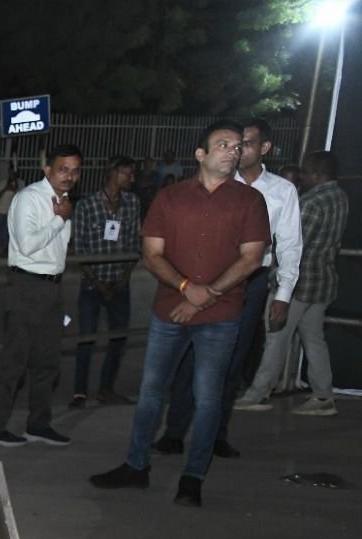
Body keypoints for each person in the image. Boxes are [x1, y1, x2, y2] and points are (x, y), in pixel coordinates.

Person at [89, 121, 269, 508]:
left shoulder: (250, 201)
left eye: (237, 146)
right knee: (151, 394)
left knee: (208, 399)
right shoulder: (170, 198)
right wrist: (188, 288)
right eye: (222, 144)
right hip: (169, 312)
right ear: (200, 154)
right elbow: (152, 254)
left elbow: (252, 258)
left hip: (221, 316)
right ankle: (136, 466)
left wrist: (207, 294)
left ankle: (192, 478)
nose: (232, 151)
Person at [157, 118, 300, 459]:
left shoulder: (282, 191)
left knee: (231, 362)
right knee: (189, 357)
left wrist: (282, 294)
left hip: (249, 284)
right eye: (231, 145)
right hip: (202, 279)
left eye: (244, 144)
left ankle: (215, 434)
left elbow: (291, 245)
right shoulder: (215, 182)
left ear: (264, 148)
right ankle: (174, 432)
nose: (236, 151)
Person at [0, 144, 82, 447]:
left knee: (48, 362)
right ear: (48, 168)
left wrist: (63, 216)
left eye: (75, 170)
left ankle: (38, 425)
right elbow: (27, 245)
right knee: (14, 360)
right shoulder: (29, 199)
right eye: (63, 169)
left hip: (52, 286)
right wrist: (59, 219)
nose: (70, 176)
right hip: (27, 286)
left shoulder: (63, 202)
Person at [235, 150, 350, 416]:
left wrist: (276, 281)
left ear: (316, 173)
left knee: (276, 338)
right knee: (314, 339)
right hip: (323, 281)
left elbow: (294, 247)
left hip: (298, 284)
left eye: (306, 171)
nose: (302, 176)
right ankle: (323, 396)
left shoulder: (309, 203)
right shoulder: (340, 197)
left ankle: (258, 393)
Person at [69, 155, 141, 406]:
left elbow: (134, 244)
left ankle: (105, 388)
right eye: (127, 173)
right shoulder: (87, 205)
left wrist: (123, 278)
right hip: (92, 283)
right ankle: (80, 390)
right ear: (113, 172)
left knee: (118, 337)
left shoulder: (132, 203)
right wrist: (97, 281)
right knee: (86, 337)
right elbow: (79, 248)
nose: (132, 179)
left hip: (119, 283)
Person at [0, 171, 18, 254]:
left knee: (6, 231)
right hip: (0, 210)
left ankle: (4, 249)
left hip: (10, 212)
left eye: (13, 174)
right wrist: (6, 188)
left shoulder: (18, 184)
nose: (11, 175)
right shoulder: (3, 182)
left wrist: (14, 188)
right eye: (10, 173)